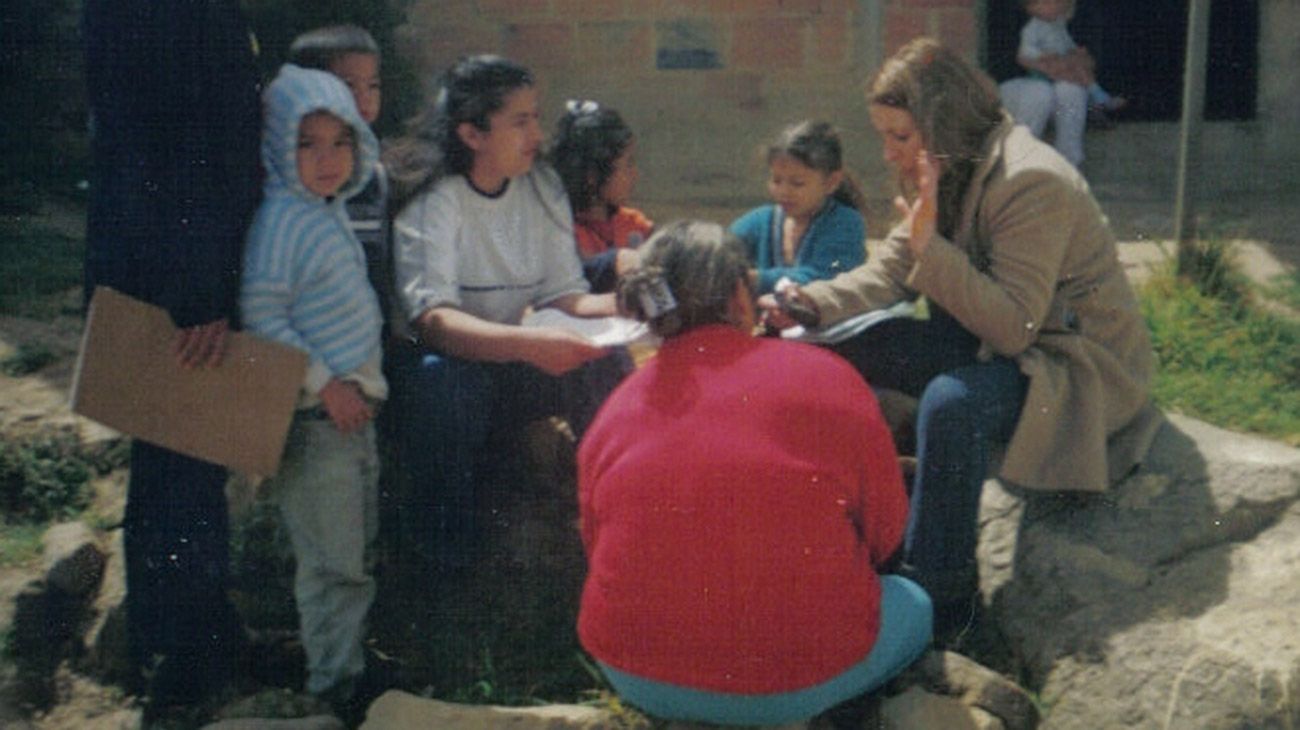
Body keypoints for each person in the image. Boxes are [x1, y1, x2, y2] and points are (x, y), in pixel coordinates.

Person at [761, 37, 1162, 637]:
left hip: (1067, 364)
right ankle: (873, 525)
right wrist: (808, 303)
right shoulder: (946, 166)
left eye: (900, 136)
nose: (890, 154)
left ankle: (939, 598)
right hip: (1002, 344)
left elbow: (1014, 325)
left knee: (953, 406)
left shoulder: (1032, 181)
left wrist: (930, 248)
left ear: (943, 123)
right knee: (850, 351)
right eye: (884, 136)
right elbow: (891, 270)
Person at [578, 221, 932, 726]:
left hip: (637, 672)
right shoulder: (824, 375)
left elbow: (597, 546)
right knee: (913, 603)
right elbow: (885, 533)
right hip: (801, 675)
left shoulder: (616, 407)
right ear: (742, 296)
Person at [81, 0, 261, 707]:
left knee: (165, 461)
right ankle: (188, 661)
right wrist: (202, 295)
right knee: (183, 463)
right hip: (179, 278)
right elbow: (175, 149)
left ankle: (174, 639)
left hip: (144, 262)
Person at [384, 54, 629, 571]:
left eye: (536, 117)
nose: (536, 133)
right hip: (438, 374)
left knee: (607, 358)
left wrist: (627, 307)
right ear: (472, 134)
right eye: (520, 121)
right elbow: (436, 323)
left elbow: (567, 294)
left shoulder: (542, 187)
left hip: (511, 361)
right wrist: (529, 345)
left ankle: (618, 514)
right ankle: (444, 553)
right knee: (447, 383)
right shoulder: (436, 199)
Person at [240, 64, 384, 707]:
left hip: (349, 418)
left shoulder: (322, 210)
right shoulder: (282, 222)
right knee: (332, 565)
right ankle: (333, 690)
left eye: (340, 142)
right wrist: (325, 383)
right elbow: (263, 315)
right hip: (317, 420)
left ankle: (348, 664)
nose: (327, 160)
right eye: (307, 144)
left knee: (352, 551)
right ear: (278, 148)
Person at [287, 25, 398, 341]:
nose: (364, 98)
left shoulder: (378, 180)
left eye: (373, 85)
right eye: (348, 85)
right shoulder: (286, 183)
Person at [729, 120, 867, 295]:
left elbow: (825, 276)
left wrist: (756, 280)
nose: (784, 191)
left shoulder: (846, 223)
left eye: (797, 183)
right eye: (776, 180)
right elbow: (722, 249)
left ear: (831, 182)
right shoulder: (759, 222)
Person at [999, 0, 1123, 166]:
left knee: (1071, 88)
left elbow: (1068, 44)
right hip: (1032, 81)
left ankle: (1069, 160)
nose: (1053, 6)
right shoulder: (1032, 27)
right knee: (1040, 93)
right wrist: (1044, 61)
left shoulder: (1061, 23)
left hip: (1061, 74)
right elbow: (1025, 54)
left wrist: (1075, 55)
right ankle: (1023, 162)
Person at [549, 99, 653, 294]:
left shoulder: (636, 226)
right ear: (592, 176)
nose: (635, 174)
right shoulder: (558, 232)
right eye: (627, 164)